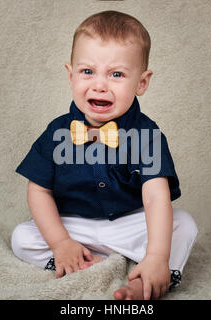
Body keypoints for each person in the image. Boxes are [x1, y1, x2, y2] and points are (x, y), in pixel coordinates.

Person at [11, 10, 198, 300]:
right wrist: (61, 242)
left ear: (142, 83)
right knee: (22, 237)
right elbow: (38, 190)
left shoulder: (147, 135)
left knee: (183, 225)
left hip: (127, 223)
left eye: (117, 74)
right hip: (75, 225)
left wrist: (158, 255)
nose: (99, 84)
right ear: (71, 74)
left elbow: (156, 197)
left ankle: (147, 279)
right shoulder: (57, 132)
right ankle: (79, 261)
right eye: (88, 71)